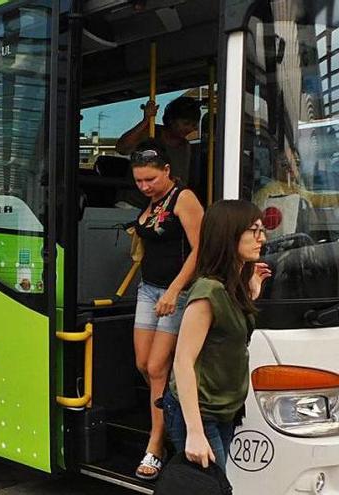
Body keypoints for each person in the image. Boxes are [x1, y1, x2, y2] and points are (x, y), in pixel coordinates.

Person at [162, 199, 271, 472]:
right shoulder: (208, 292)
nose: (262, 238)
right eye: (254, 231)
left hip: (224, 411)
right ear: (228, 234)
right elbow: (183, 362)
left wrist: (252, 288)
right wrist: (195, 432)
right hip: (200, 414)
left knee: (215, 485)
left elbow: (231, 328)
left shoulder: (231, 286)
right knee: (212, 486)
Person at [130, 143, 204, 480]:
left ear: (167, 172)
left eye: (150, 179)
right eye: (139, 181)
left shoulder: (183, 198)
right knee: (144, 365)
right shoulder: (154, 202)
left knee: (158, 366)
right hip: (148, 289)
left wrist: (175, 289)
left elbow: (201, 248)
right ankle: (172, 414)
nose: (144, 186)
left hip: (176, 292)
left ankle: (156, 444)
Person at [117, 96, 201, 187]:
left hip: (164, 199)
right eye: (186, 123)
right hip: (134, 199)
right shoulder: (151, 132)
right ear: (171, 120)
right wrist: (146, 120)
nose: (190, 128)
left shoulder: (185, 145)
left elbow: (182, 180)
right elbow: (122, 148)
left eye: (193, 125)